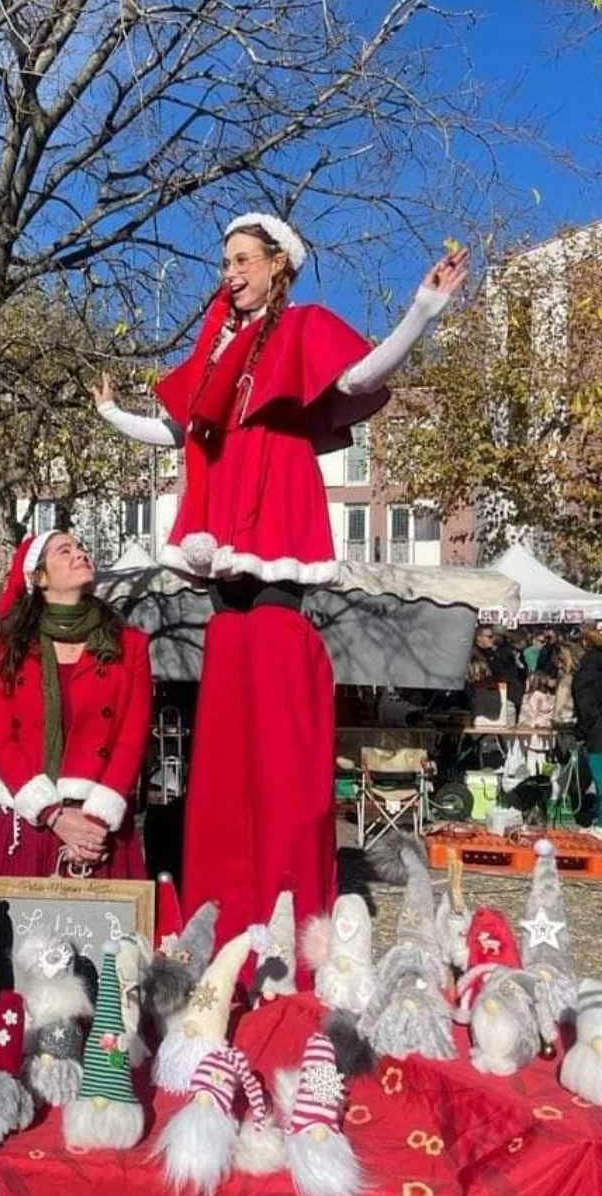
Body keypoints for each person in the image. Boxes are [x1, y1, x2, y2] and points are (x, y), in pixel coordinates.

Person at [92, 214, 467, 952]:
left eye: (242, 260)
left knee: (272, 691)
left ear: (276, 267)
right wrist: (112, 415)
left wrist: (420, 311)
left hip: (276, 533)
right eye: (224, 260)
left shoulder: (299, 330)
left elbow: (359, 376)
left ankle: (285, 897)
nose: (229, 272)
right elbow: (181, 431)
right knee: (226, 735)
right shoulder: (215, 351)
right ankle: (225, 902)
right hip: (224, 554)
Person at [0, 531, 152, 878]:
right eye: (65, 550)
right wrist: (53, 815)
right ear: (39, 577)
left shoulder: (129, 645)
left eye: (81, 547)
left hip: (98, 831)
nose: (80, 553)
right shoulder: (6, 648)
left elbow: (131, 738)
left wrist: (93, 822)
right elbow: (2, 739)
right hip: (30, 821)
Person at [572, 624, 602, 836]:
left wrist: (583, 729)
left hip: (598, 731)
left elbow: (586, 702)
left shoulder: (590, 665)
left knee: (600, 777)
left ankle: (601, 826)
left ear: (584, 643)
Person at [518, 672, 556, 775]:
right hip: (546, 733)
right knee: (543, 757)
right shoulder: (551, 697)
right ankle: (546, 778)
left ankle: (532, 778)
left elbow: (531, 713)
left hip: (533, 732)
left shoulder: (532, 697)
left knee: (531, 757)